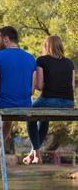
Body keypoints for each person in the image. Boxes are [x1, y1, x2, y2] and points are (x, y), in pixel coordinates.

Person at [0, 26, 36, 167]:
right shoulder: (31, 58)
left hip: (4, 104)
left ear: (6, 39)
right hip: (25, 104)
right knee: (8, 120)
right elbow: (32, 90)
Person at [23, 35, 75, 165]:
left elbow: (40, 86)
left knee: (29, 113)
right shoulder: (69, 63)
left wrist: (33, 83)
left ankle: (35, 151)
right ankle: (34, 152)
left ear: (46, 46)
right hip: (69, 103)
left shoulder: (42, 60)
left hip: (48, 100)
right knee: (44, 118)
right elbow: (72, 86)